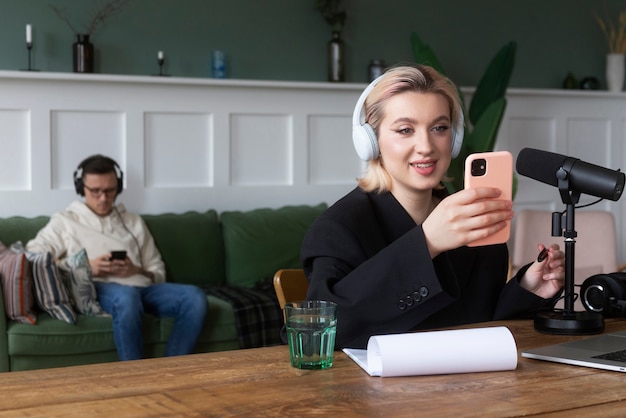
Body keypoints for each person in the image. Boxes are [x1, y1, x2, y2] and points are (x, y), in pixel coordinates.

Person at [301, 65, 565, 349]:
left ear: (454, 138)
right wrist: (426, 243)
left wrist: (527, 289)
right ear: (371, 142)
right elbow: (319, 333)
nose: (426, 146)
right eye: (405, 130)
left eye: (439, 128)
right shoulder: (338, 227)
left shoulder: (474, 219)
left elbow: (478, 324)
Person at [26, 154, 208, 360]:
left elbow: (158, 270)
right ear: (81, 188)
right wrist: (84, 268)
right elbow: (33, 253)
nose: (103, 198)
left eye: (109, 190)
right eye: (95, 191)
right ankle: (133, 380)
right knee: (127, 298)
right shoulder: (65, 221)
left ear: (118, 188)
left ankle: (171, 371)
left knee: (194, 297)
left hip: (142, 288)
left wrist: (137, 270)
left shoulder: (133, 222)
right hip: (100, 288)